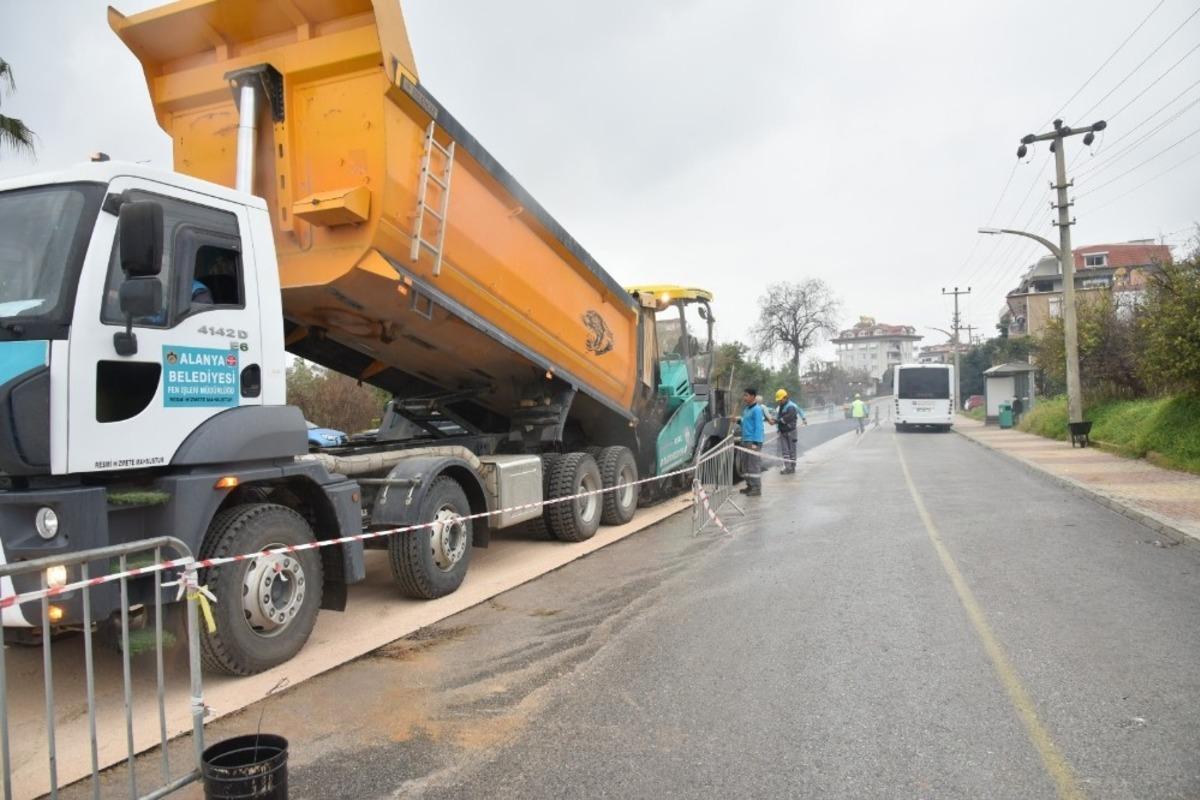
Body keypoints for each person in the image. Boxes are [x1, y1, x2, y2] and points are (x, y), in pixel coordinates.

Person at [739, 387, 767, 496]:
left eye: (746, 395)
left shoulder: (757, 410)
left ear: (753, 396)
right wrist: (738, 420)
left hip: (753, 442)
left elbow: (758, 427)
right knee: (745, 465)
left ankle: (756, 488)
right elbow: (745, 423)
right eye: (744, 395)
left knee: (753, 466)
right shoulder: (746, 409)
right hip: (745, 440)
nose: (744, 397)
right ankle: (749, 485)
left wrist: (756, 443)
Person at [769, 388, 804, 474]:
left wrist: (777, 421)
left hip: (791, 431)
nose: (779, 402)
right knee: (785, 451)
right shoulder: (781, 406)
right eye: (779, 400)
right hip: (783, 431)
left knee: (792, 450)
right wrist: (774, 420)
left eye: (780, 400)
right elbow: (779, 417)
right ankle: (787, 467)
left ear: (785, 397)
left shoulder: (791, 406)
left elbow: (787, 418)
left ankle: (792, 467)